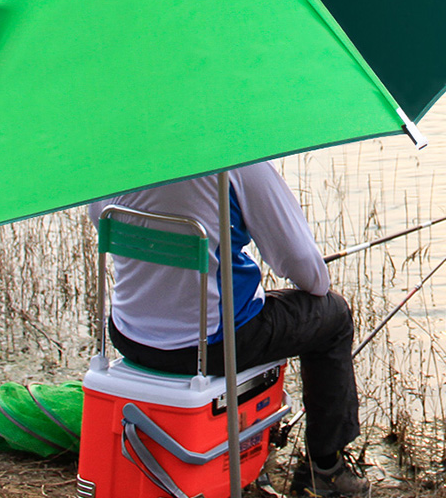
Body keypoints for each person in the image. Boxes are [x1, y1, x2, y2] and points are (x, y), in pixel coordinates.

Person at [88, 161, 370, 497]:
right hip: (212, 346)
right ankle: (326, 468)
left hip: (129, 335)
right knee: (333, 316)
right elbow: (306, 269)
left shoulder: (111, 160)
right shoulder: (237, 163)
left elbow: (101, 221)